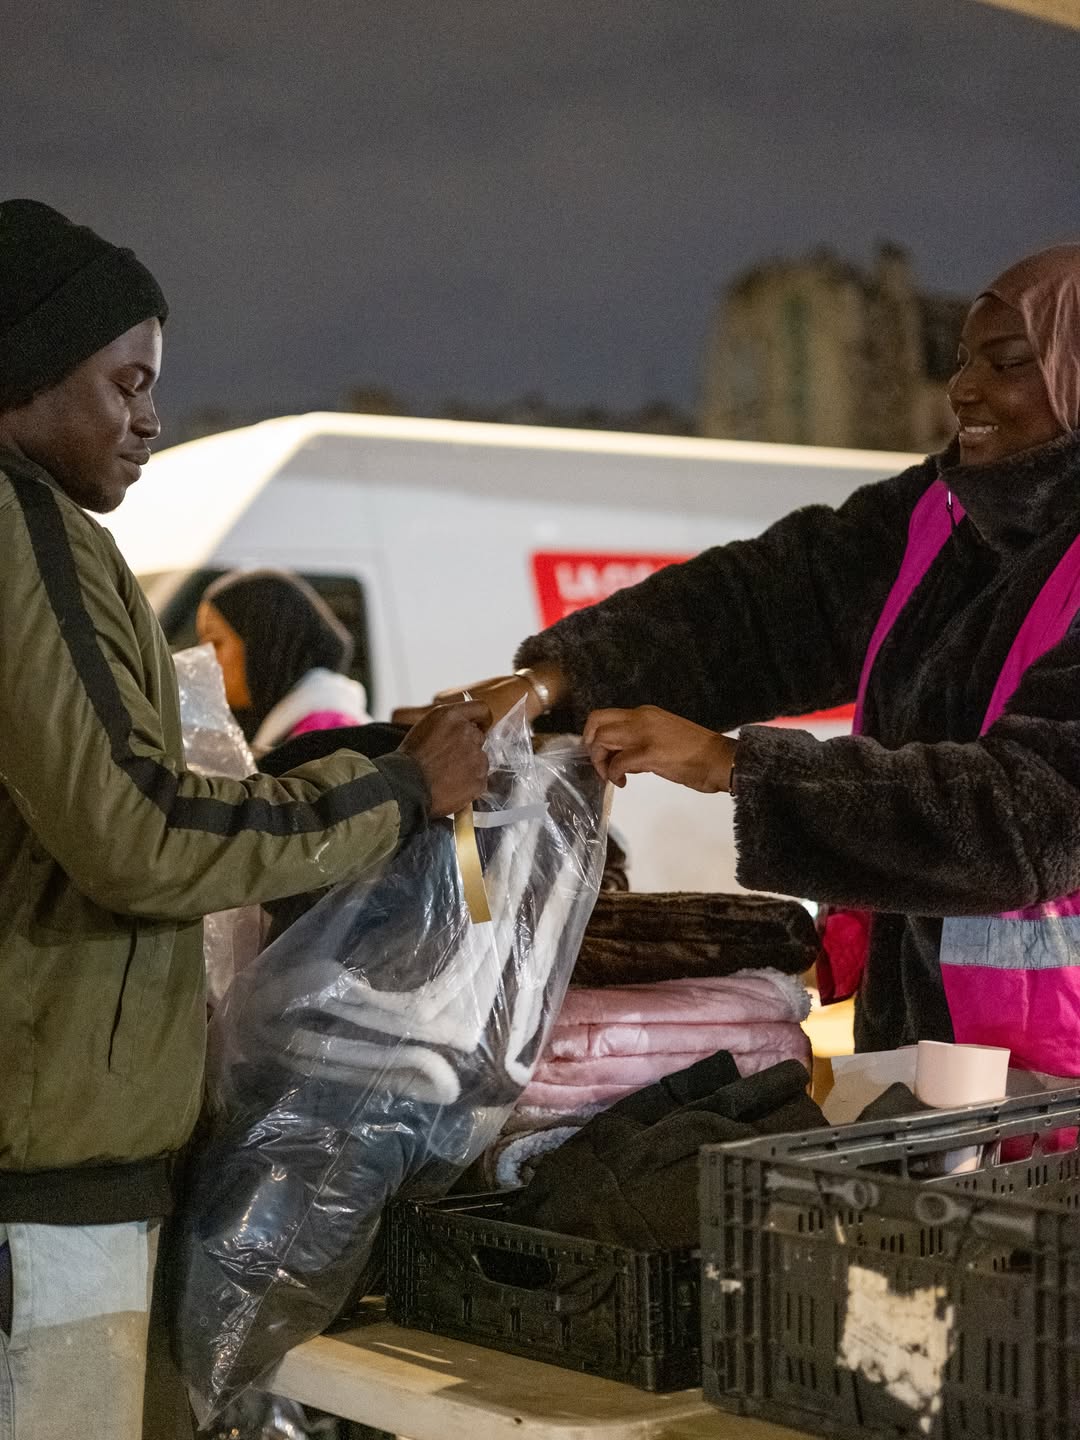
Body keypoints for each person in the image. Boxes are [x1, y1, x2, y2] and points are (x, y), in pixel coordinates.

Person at [0, 198, 490, 1440]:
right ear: (25, 374)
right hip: (39, 1188)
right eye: (126, 383)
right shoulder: (26, 531)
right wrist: (397, 791)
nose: (151, 419)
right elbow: (138, 829)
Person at [402, 244, 1080, 1079]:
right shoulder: (938, 515)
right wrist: (551, 683)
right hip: (932, 1058)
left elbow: (1030, 814)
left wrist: (733, 764)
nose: (964, 389)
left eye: (1007, 363)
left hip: (1059, 1083)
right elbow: (757, 606)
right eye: (962, 360)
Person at [196, 568, 372, 755]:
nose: (203, 657)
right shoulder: (283, 729)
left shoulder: (324, 737)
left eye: (215, 642)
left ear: (263, 644)